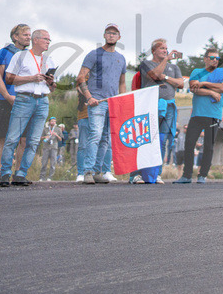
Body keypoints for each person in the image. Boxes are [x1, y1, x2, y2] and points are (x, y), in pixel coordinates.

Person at [0, 29, 56, 186]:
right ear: (35, 40)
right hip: (24, 99)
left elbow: (52, 88)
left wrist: (51, 83)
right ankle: (5, 174)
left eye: (49, 40)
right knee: (12, 138)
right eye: (46, 39)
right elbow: (8, 78)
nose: (48, 42)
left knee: (34, 140)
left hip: (43, 101)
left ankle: (21, 174)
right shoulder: (20, 56)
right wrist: (32, 78)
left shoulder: (49, 60)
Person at [77, 23, 127, 184]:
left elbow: (122, 83)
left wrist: (121, 100)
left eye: (115, 33)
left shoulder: (121, 58)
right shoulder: (94, 54)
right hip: (97, 101)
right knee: (95, 135)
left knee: (106, 138)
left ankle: (98, 171)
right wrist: (89, 97)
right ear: (104, 36)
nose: (111, 35)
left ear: (119, 37)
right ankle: (88, 171)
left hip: (113, 103)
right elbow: (80, 77)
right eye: (108, 33)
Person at [175, 47, 223, 183]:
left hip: (213, 115)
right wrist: (212, 92)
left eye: (217, 58)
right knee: (189, 144)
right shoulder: (197, 72)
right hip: (197, 114)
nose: (215, 61)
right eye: (212, 58)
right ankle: (187, 176)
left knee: (208, 146)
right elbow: (194, 88)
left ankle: (202, 175)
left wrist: (204, 84)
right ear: (205, 59)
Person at [0, 23, 32, 184]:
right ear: (15, 37)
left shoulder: (31, 56)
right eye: (25, 35)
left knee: (23, 139)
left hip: (25, 101)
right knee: (2, 136)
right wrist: (7, 96)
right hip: (5, 100)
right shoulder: (4, 52)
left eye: (29, 35)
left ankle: (19, 175)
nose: (29, 37)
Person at [138, 38, 185, 166]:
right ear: (153, 51)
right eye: (162, 48)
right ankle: (142, 170)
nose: (165, 51)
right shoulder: (146, 64)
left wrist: (166, 77)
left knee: (162, 140)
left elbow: (181, 84)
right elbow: (155, 75)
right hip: (150, 105)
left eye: (166, 48)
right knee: (147, 138)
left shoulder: (174, 67)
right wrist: (166, 60)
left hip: (169, 106)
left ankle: (157, 172)